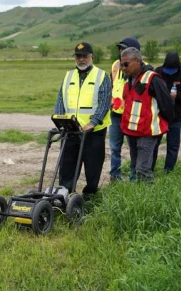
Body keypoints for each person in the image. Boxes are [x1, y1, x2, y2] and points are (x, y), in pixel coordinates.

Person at [54, 42, 112, 198]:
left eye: (85, 56)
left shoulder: (102, 76)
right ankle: (65, 196)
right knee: (67, 166)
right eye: (78, 57)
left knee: (93, 167)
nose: (81, 60)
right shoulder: (68, 76)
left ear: (91, 57)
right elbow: (61, 100)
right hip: (71, 130)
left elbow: (104, 102)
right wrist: (60, 121)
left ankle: (90, 197)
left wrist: (93, 123)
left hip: (93, 132)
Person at [119, 47, 173, 182]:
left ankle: (148, 199)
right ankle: (138, 197)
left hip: (147, 133)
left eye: (126, 64)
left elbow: (166, 104)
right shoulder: (128, 79)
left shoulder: (153, 78)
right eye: (121, 64)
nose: (123, 67)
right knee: (134, 166)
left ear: (137, 61)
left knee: (143, 169)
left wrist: (163, 124)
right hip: (132, 132)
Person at [151, 51, 181, 172]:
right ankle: (149, 168)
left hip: (176, 116)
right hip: (159, 115)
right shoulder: (158, 72)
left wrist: (178, 95)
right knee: (154, 144)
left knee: (172, 145)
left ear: (178, 67)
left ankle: (168, 170)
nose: (169, 72)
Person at [109, 37, 143, 182]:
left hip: (132, 114)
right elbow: (113, 84)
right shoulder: (116, 65)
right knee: (115, 148)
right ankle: (115, 176)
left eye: (124, 49)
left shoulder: (143, 67)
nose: (121, 52)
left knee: (134, 149)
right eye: (120, 49)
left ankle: (134, 177)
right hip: (116, 113)